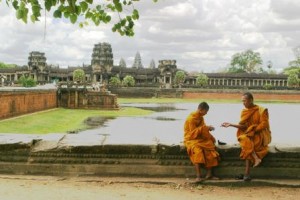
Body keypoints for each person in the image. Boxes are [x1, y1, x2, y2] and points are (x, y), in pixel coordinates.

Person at [221, 92, 271, 181]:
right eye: (242, 101)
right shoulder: (245, 112)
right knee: (245, 141)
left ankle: (248, 173)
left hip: (259, 135)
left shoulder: (261, 110)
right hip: (249, 135)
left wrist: (253, 130)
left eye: (245, 101)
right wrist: (231, 124)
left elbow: (264, 124)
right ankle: (252, 166)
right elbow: (244, 127)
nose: (243, 103)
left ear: (251, 100)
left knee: (245, 144)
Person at [184, 102, 220, 183]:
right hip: (191, 139)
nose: (206, 113)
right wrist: (205, 128)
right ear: (201, 110)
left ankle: (209, 174)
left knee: (211, 149)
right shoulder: (191, 119)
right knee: (197, 152)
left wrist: (208, 129)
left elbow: (202, 130)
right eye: (206, 111)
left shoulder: (201, 117)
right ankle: (198, 176)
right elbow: (192, 133)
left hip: (199, 139)